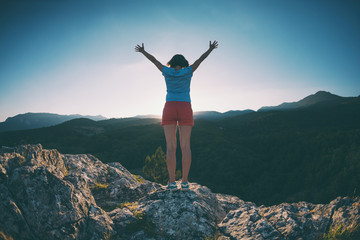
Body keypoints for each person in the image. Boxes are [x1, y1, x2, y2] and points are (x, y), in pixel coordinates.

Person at [135, 41, 218, 190]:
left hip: (170, 106)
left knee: (170, 147)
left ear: (172, 63)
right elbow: (200, 59)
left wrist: (143, 51)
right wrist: (210, 49)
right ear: (184, 63)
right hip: (185, 106)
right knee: (185, 146)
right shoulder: (188, 71)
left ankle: (172, 182)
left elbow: (154, 60)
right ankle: (185, 181)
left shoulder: (166, 71)